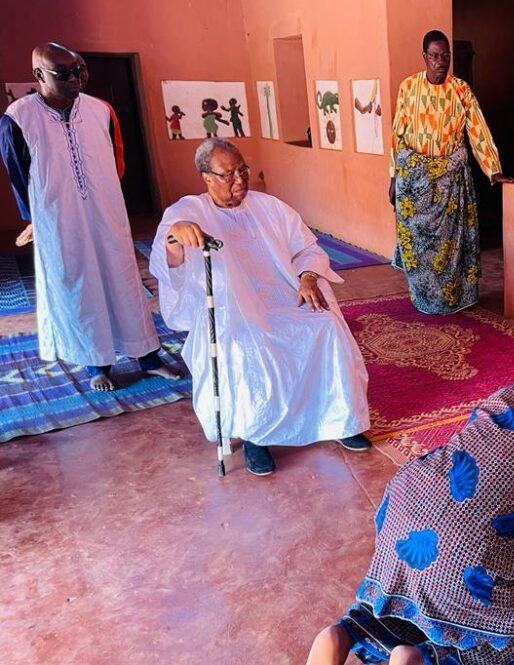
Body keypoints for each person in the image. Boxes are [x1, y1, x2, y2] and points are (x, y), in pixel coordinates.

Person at [306, 357, 514, 665]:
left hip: (406, 505)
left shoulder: (513, 393)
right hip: (468, 547)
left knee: (413, 591)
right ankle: (422, 658)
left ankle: (345, 631)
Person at [149, 138, 371, 476]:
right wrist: (175, 235)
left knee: (326, 326)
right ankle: (257, 435)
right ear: (206, 177)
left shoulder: (269, 206)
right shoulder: (191, 209)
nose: (239, 181)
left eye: (243, 171)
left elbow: (307, 248)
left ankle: (341, 419)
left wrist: (309, 276)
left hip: (284, 295)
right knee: (247, 346)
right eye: (228, 175)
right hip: (232, 309)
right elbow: (170, 248)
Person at [0, 42, 179, 391]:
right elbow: (18, 174)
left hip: (105, 210)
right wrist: (34, 217)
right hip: (58, 216)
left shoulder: (99, 110)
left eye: (80, 69)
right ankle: (97, 362)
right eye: (63, 73)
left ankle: (147, 355)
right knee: (77, 284)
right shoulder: (18, 118)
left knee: (122, 276)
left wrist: (104, 197)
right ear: (39, 76)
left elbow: (116, 161)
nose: (76, 78)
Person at [389, 29, 514, 315]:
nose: (440, 62)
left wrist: (493, 170)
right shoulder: (408, 88)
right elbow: (398, 136)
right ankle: (422, 297)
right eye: (434, 56)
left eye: (445, 56)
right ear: (424, 57)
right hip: (414, 184)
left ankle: (452, 298)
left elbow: (477, 129)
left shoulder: (461, 90)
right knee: (419, 247)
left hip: (451, 182)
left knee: (452, 244)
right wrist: (393, 176)